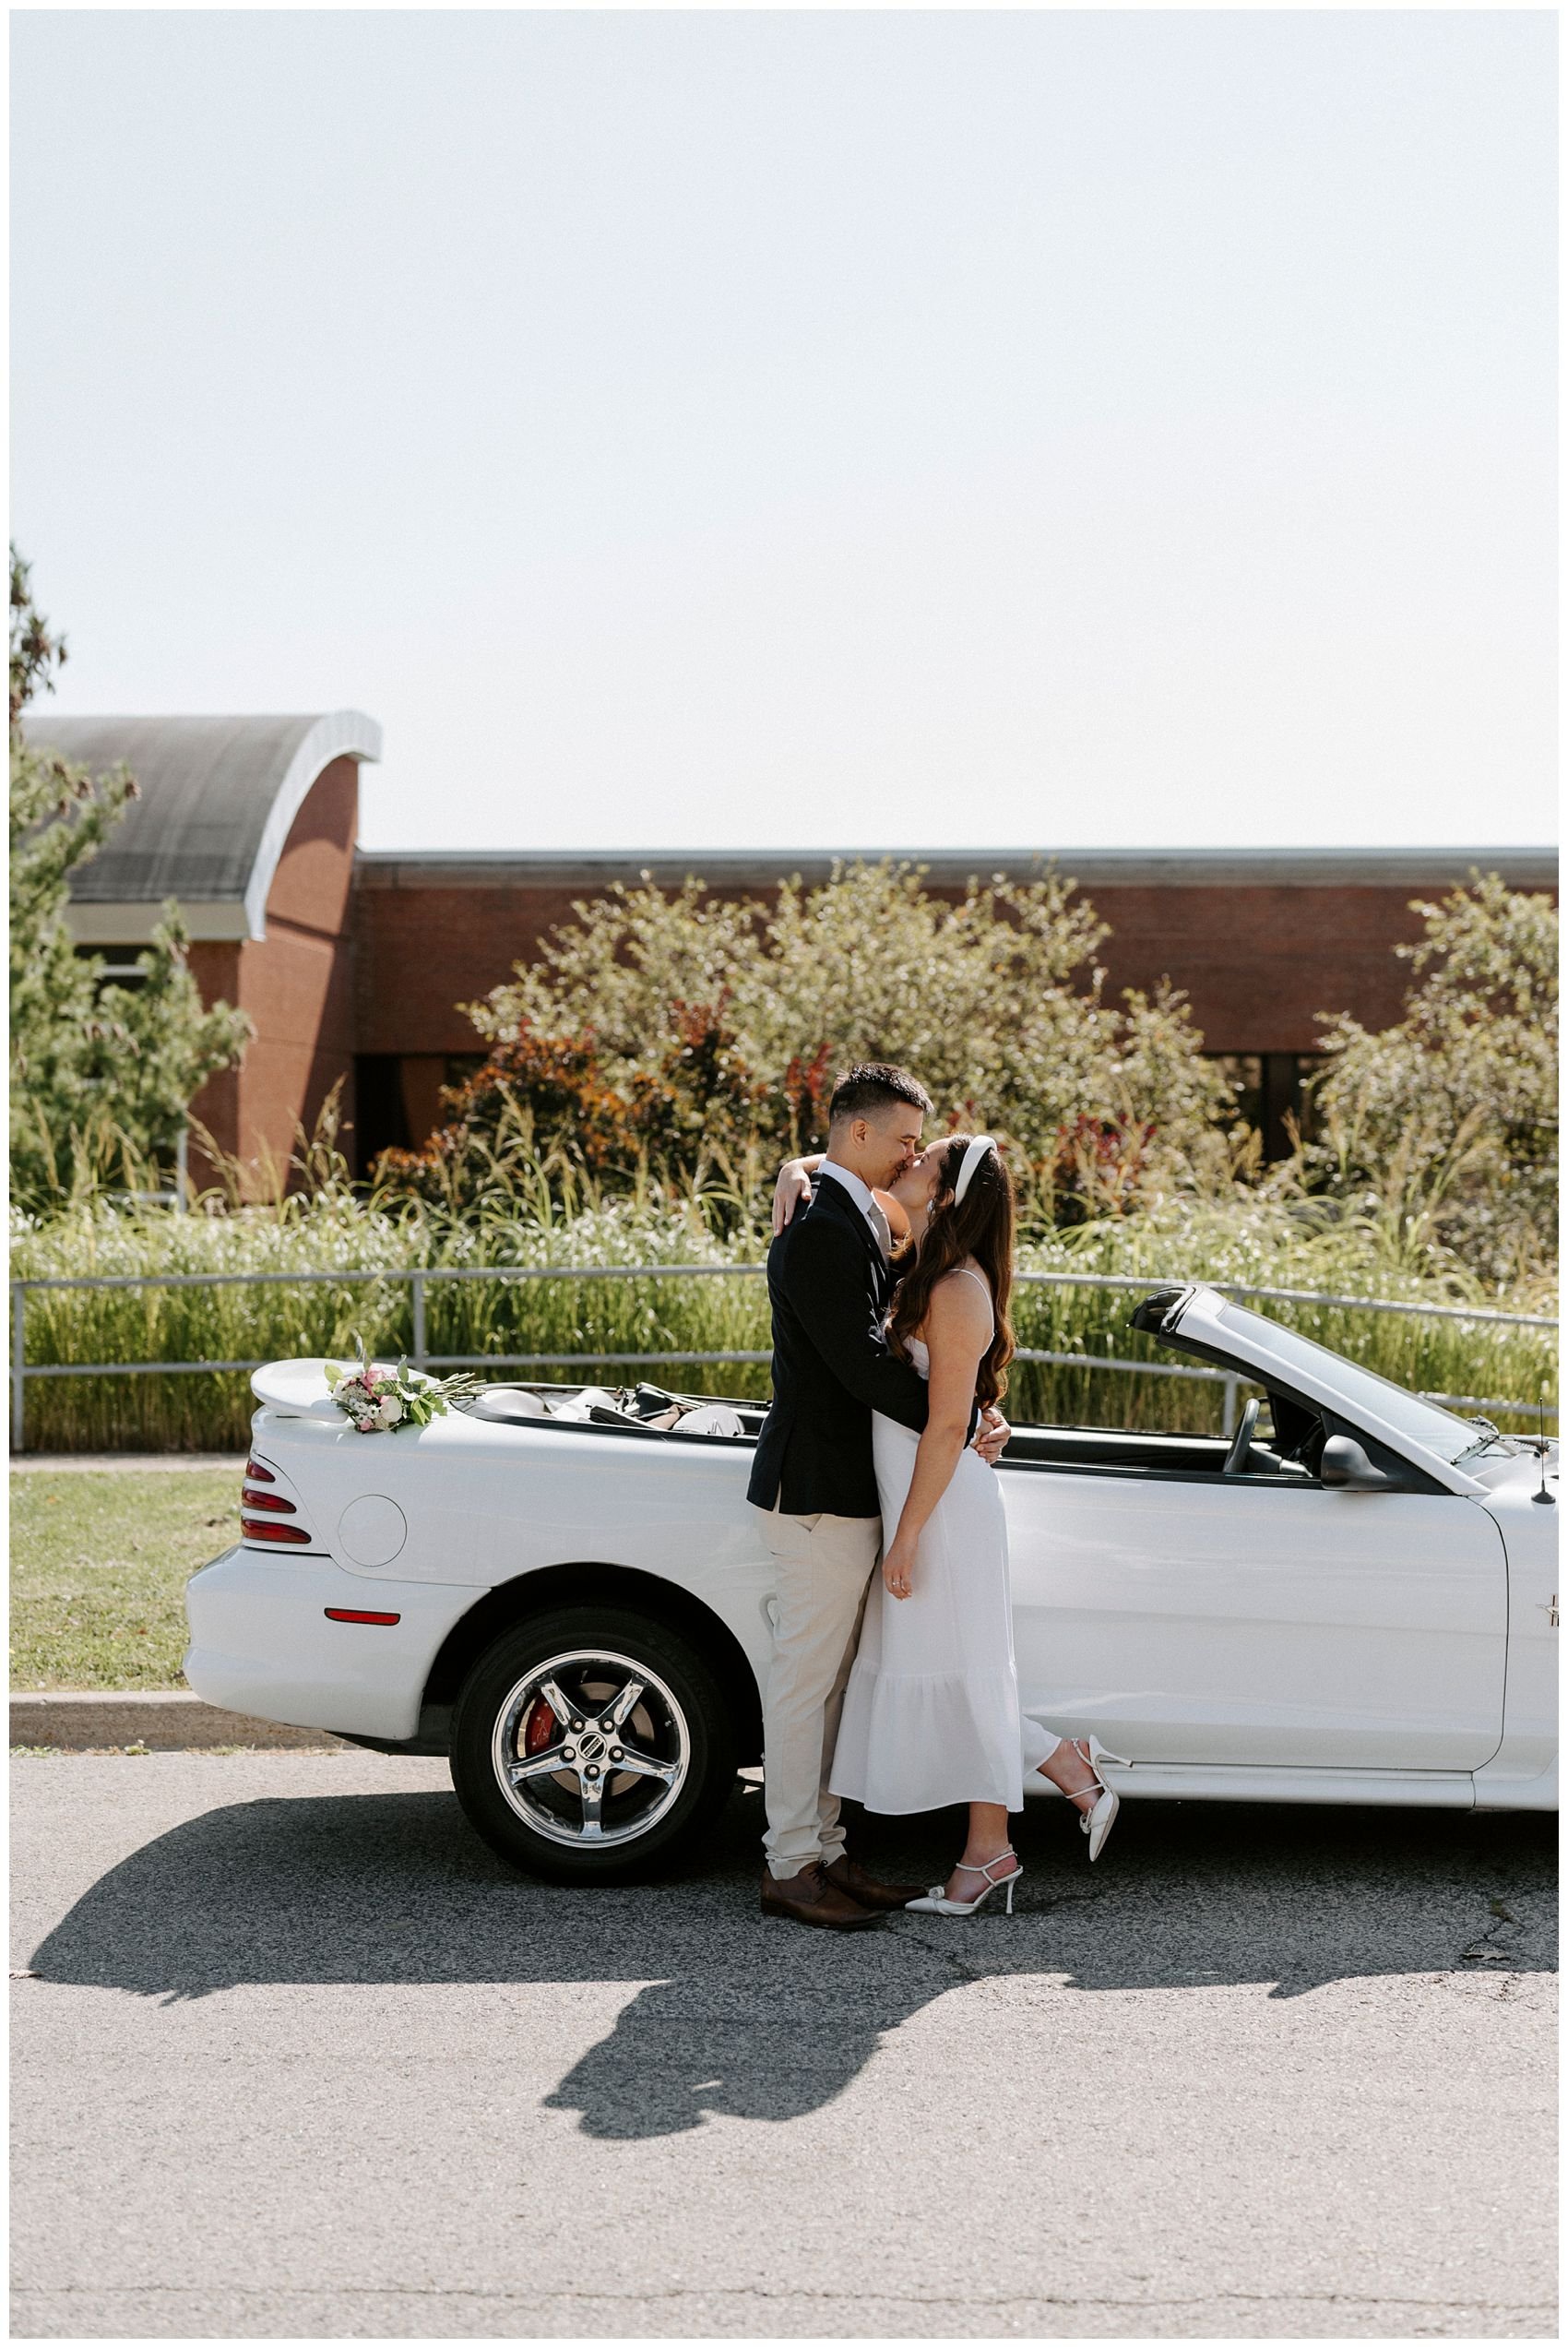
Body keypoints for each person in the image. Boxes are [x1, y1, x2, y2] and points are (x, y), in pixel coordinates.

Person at [783, 1132, 1123, 1915]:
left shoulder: (958, 1289)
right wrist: (789, 1169)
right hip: (922, 1499)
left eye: (922, 1162)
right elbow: (837, 1170)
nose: (905, 1166)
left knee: (964, 1674)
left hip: (940, 1510)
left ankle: (1004, 1835)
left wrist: (904, 1537)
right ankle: (1021, 1815)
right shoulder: (923, 1263)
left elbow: (944, 1428)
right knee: (951, 1672)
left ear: (945, 1195)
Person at [746, 1064, 1009, 1931]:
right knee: (804, 1684)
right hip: (816, 1488)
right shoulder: (824, 1226)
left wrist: (803, 1164)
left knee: (829, 1685)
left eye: (920, 1147)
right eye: (902, 1138)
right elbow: (860, 1367)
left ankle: (824, 1847)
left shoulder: (851, 1207)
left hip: (854, 1491)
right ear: (859, 1134)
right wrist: (959, 1417)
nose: (910, 1155)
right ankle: (791, 1863)